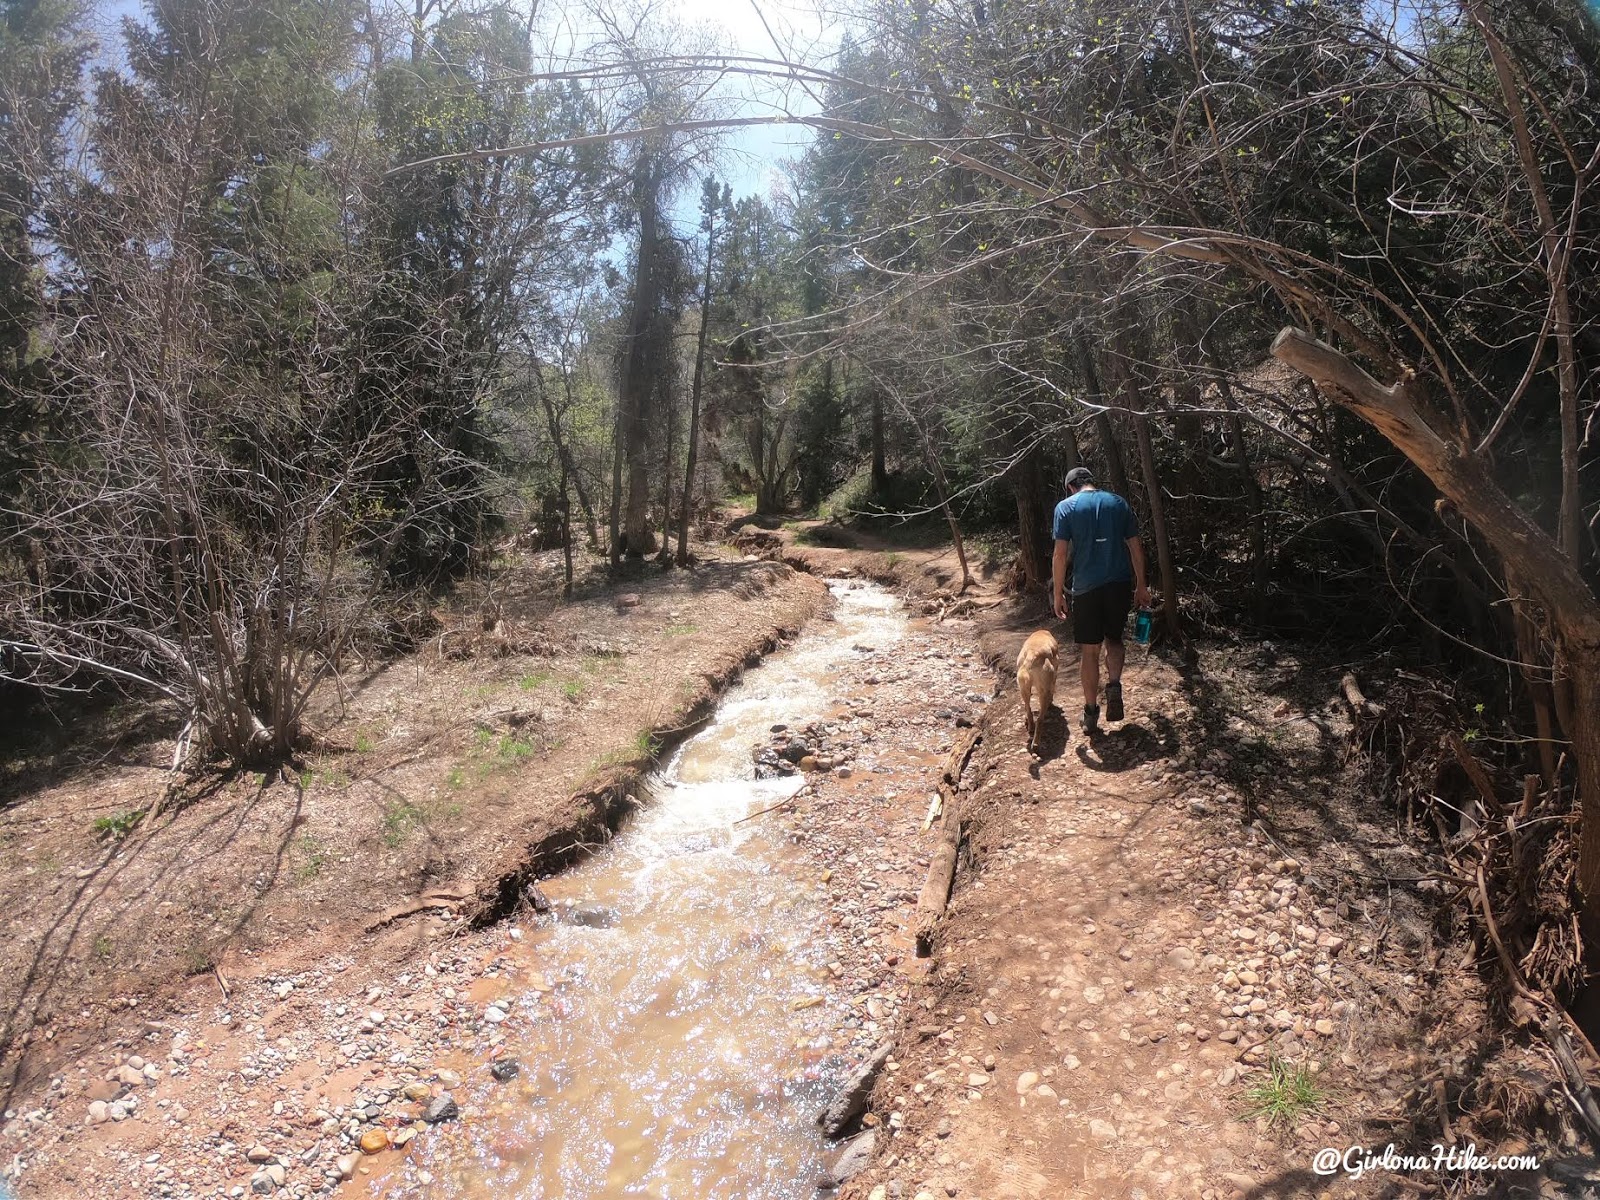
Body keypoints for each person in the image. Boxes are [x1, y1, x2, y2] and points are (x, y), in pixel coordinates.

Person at [1051, 466, 1152, 734]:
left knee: (1090, 651)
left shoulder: (1065, 508)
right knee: (1115, 639)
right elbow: (1135, 547)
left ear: (1071, 487)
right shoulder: (1118, 503)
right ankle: (1115, 685)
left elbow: (1060, 555)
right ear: (1091, 483)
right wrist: (1141, 585)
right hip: (1118, 583)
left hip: (1085, 589)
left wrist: (1058, 592)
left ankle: (1091, 713)